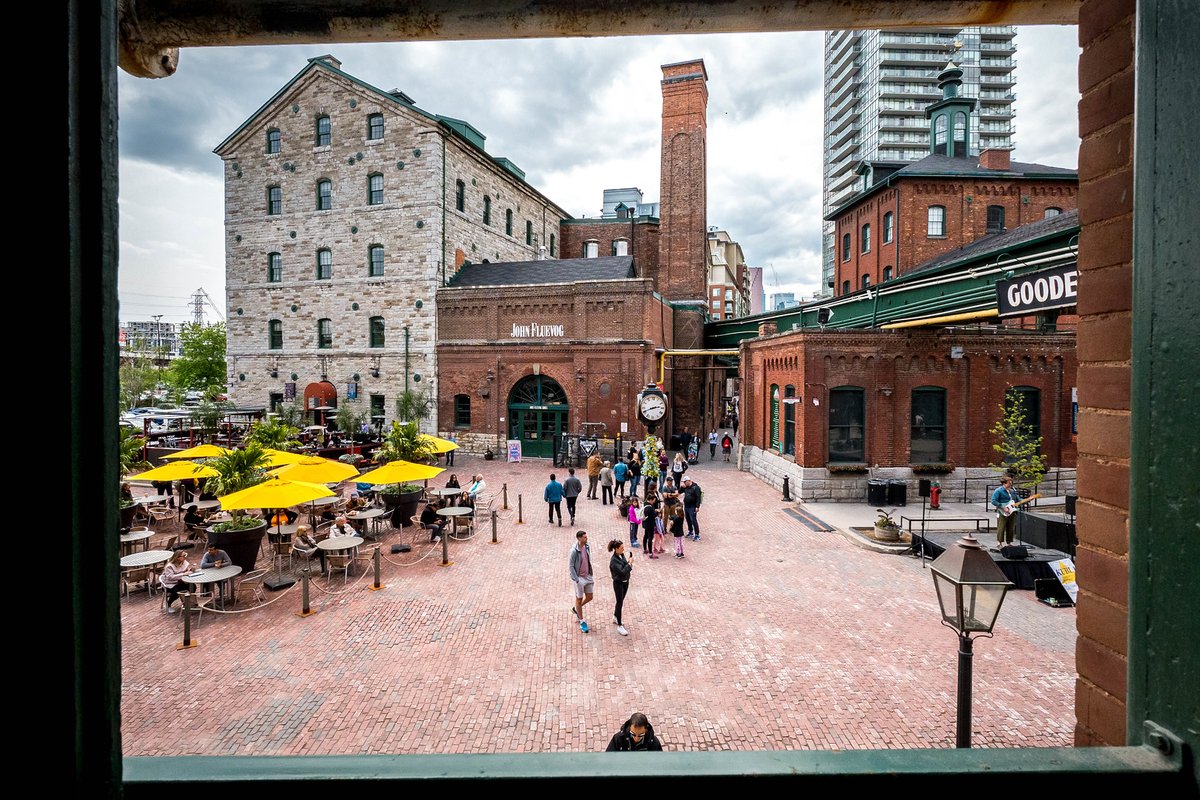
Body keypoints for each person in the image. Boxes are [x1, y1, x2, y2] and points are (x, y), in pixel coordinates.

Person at [568, 530, 594, 633]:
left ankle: (576, 609)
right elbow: (570, 566)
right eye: (584, 537)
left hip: (588, 576)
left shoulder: (587, 546)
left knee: (590, 596)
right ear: (579, 538)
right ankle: (582, 620)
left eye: (586, 537)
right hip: (579, 578)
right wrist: (577, 580)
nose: (586, 538)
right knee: (579, 599)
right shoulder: (574, 551)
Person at [607, 539, 632, 636]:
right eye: (621, 548)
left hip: (625, 582)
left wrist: (628, 563)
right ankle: (620, 625)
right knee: (619, 602)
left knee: (621, 600)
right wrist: (630, 564)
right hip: (618, 584)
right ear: (616, 549)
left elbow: (625, 566)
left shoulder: (621, 555)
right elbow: (622, 571)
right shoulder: (613, 561)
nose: (623, 549)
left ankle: (615, 616)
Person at [159, 549, 193, 614]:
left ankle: (188, 602)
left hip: (180, 582)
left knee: (192, 586)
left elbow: (185, 570)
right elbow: (170, 577)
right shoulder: (169, 566)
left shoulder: (184, 562)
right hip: (169, 584)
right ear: (177, 557)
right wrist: (183, 574)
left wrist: (190, 570)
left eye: (185, 555)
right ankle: (168, 604)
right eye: (183, 556)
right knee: (177, 592)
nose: (185, 557)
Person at [991, 476, 1019, 546]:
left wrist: (1027, 499)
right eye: (1009, 483)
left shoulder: (1012, 491)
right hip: (1002, 512)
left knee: (1011, 527)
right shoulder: (998, 491)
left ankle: (1009, 542)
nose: (1011, 485)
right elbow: (993, 501)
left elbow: (1017, 499)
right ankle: (999, 542)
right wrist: (1003, 507)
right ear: (1004, 483)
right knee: (1001, 527)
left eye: (1011, 483)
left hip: (1012, 511)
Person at [681, 476, 702, 541]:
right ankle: (690, 531)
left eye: (685, 482)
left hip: (692, 506)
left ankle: (697, 534)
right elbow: (680, 491)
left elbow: (698, 497)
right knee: (688, 519)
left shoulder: (696, 488)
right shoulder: (686, 487)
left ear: (689, 481)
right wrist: (681, 487)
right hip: (686, 506)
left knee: (693, 520)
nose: (684, 483)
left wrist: (697, 506)